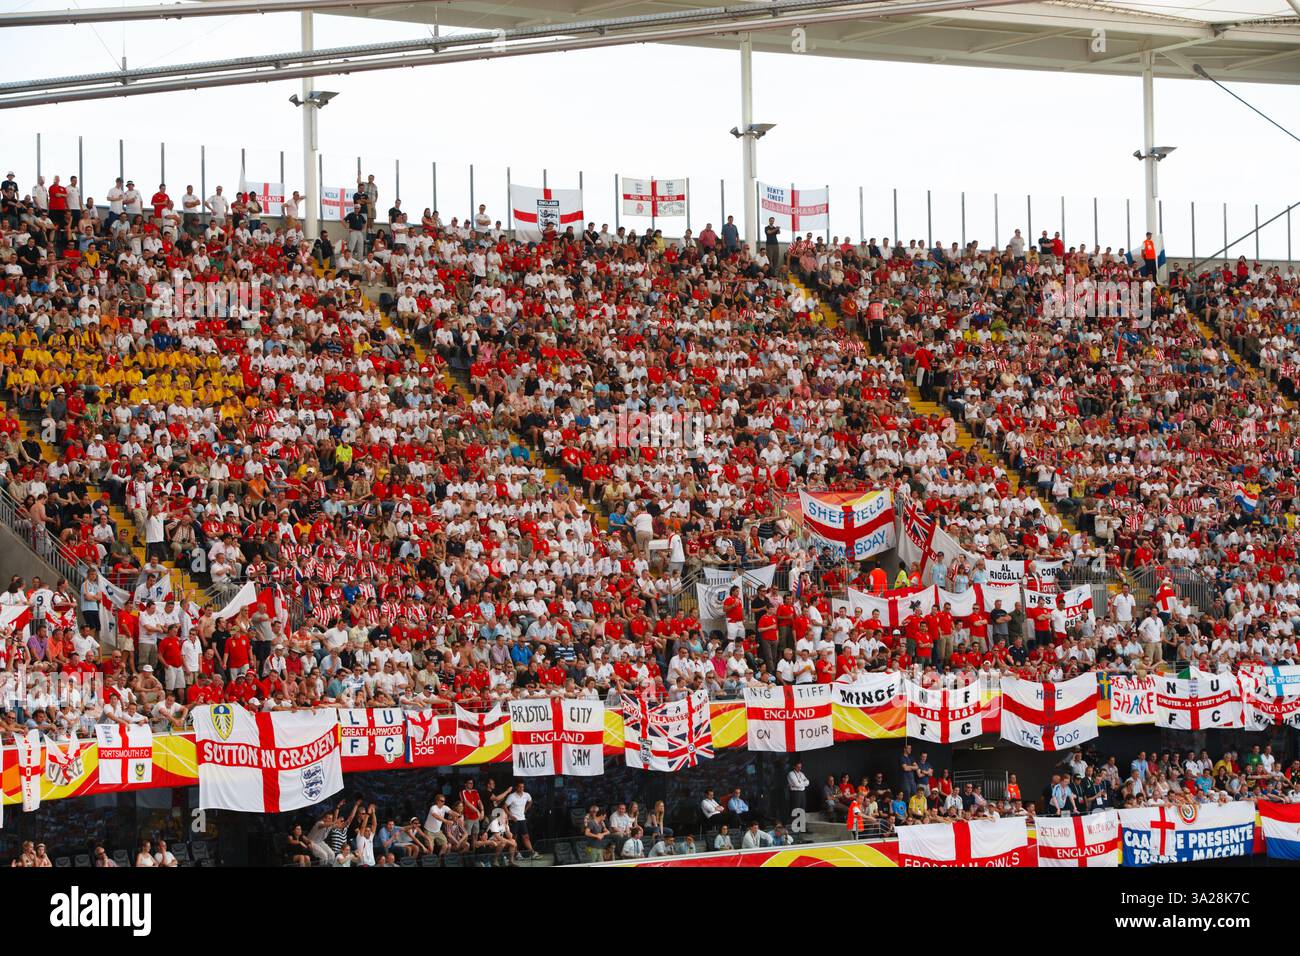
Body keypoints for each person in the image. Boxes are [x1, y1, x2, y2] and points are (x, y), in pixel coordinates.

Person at [494, 780, 541, 859]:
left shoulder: (526, 795)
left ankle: (532, 853)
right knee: (513, 838)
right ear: (516, 787)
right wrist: (511, 816)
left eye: (522, 787)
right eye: (520, 787)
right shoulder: (512, 796)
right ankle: (516, 854)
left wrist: (525, 810)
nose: (521, 788)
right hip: (514, 820)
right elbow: (504, 806)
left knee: (526, 837)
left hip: (522, 819)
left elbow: (530, 801)